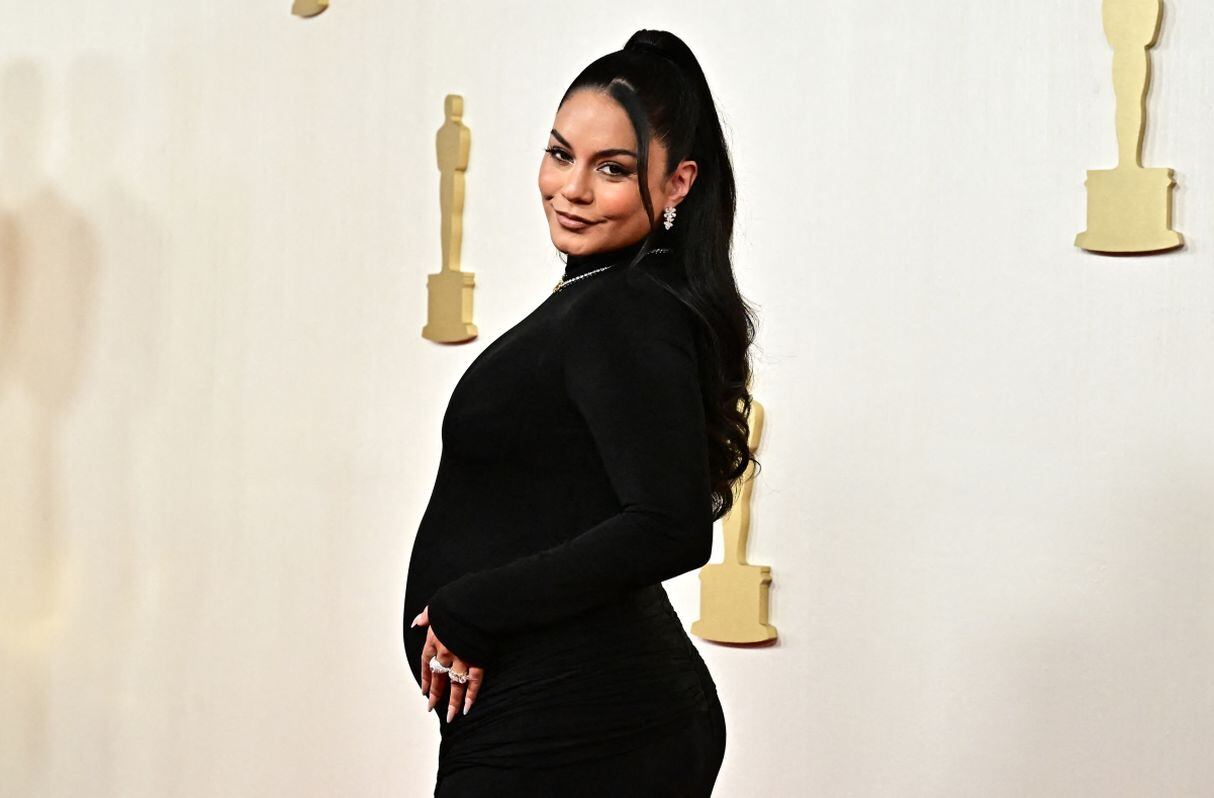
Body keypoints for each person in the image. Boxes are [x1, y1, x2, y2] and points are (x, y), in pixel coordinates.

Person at [402, 28, 759, 797]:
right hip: (557, 716)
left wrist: (475, 605)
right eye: (560, 154)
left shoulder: (624, 309)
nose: (571, 188)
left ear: (677, 185)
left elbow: (669, 524)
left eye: (614, 170)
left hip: (582, 724)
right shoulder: (600, 297)